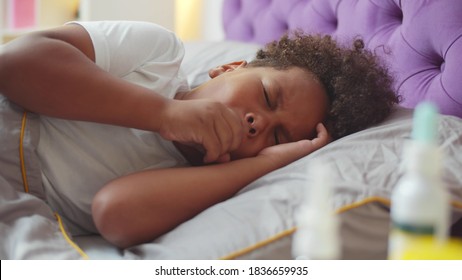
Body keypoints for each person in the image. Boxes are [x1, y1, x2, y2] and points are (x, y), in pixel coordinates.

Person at [0, 21, 399, 249]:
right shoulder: (156, 56)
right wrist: (162, 113)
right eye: (265, 96)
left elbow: (113, 212)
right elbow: (14, 64)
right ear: (228, 68)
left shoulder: (200, 182)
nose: (256, 122)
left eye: (277, 138)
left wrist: (259, 166)